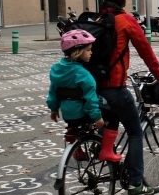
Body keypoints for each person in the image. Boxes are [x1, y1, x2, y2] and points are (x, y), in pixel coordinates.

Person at [98, 0, 159, 195]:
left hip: (93, 89)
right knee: (136, 132)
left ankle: (108, 163)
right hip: (115, 89)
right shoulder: (125, 21)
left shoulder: (97, 20)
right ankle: (136, 183)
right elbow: (146, 52)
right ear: (123, 1)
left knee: (108, 126)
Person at [47, 29, 111, 161]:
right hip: (82, 114)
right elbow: (90, 99)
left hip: (67, 115)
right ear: (78, 52)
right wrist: (97, 118)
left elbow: (53, 92)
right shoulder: (84, 75)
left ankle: (73, 135)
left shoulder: (56, 70)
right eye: (88, 50)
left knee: (74, 108)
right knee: (110, 110)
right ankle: (102, 147)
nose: (91, 52)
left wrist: (53, 109)